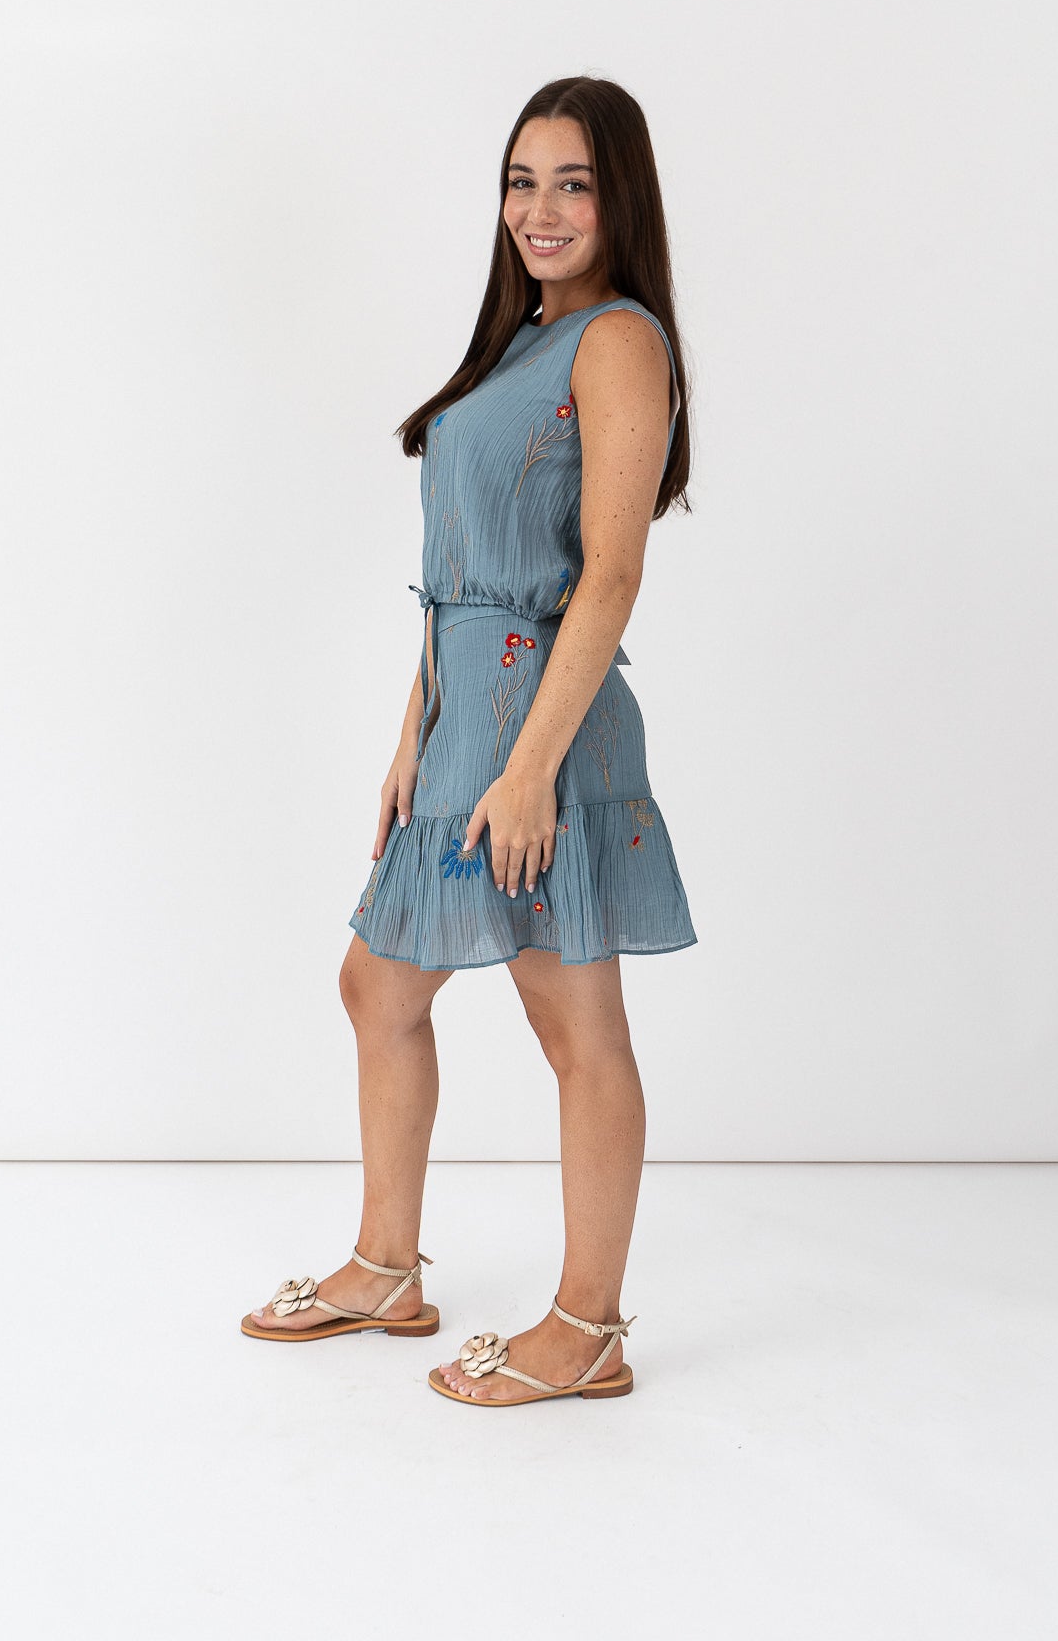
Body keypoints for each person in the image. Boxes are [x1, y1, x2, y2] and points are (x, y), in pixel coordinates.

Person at [241, 75, 699, 1406]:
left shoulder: (618, 341)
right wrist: (414, 733)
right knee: (378, 988)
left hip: (541, 737)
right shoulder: (519, 343)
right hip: (465, 728)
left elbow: (608, 576)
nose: (540, 209)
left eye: (574, 184)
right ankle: (388, 1268)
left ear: (620, 200)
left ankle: (589, 1328)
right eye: (520, 181)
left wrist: (528, 769)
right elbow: (460, 576)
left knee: (575, 1025)